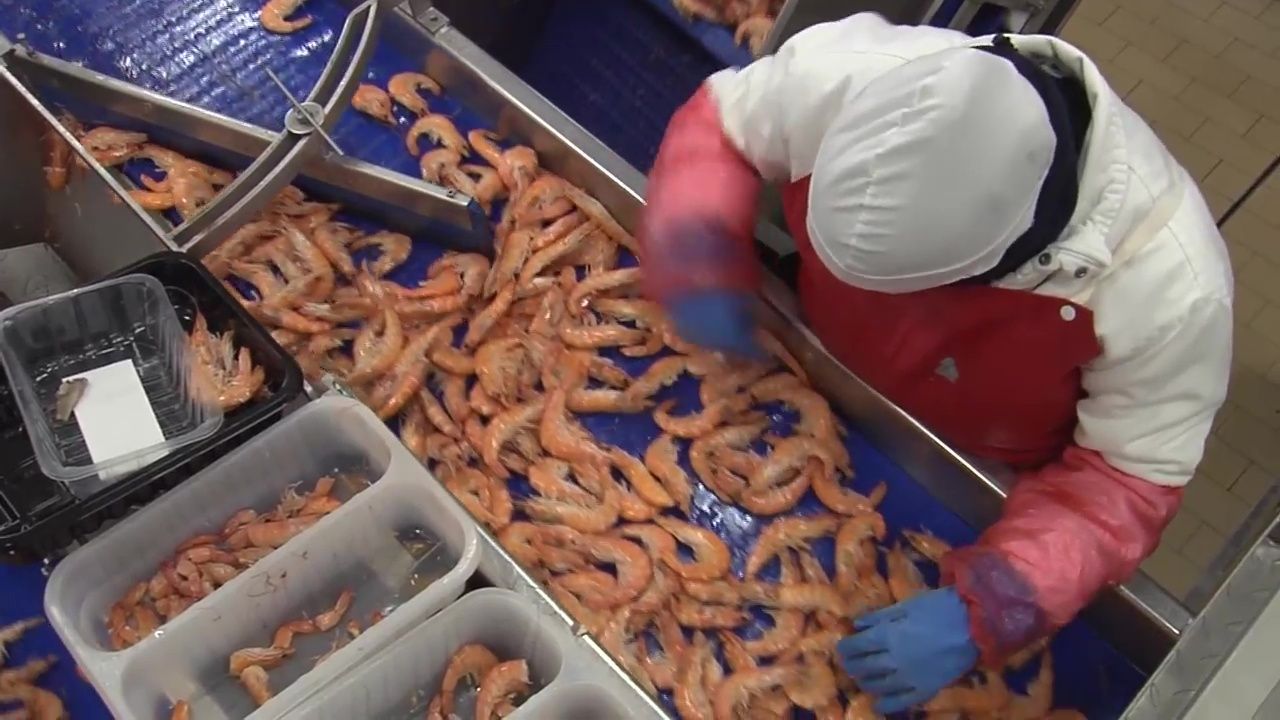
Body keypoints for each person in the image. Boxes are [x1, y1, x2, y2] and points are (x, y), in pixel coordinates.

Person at [638, 12, 1233, 714]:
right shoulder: (853, 66)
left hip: (978, 465)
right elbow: (724, 128)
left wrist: (1002, 600)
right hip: (821, 359)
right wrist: (693, 234)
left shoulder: (1174, 290)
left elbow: (1125, 483)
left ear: (997, 269)